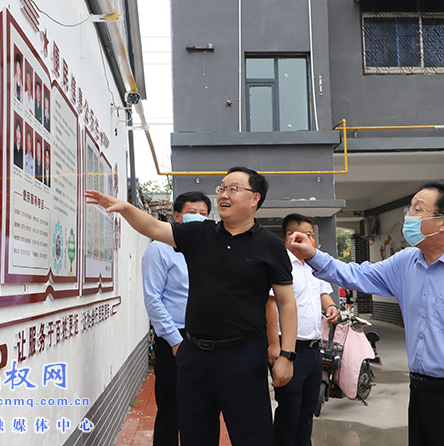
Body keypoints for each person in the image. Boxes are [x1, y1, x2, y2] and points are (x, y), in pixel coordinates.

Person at [287, 181, 444, 446]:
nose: (408, 216)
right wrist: (313, 255)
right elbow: (355, 274)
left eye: (417, 209)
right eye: (409, 208)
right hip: (421, 395)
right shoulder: (405, 263)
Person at [85, 166, 298, 446]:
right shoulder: (200, 234)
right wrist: (125, 208)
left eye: (233, 189)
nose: (224, 194)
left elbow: (286, 302)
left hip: (243, 356)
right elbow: (153, 227)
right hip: (195, 356)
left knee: (253, 436)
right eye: (222, 188)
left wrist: (286, 355)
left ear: (255, 198)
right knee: (195, 437)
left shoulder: (270, 245)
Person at [142, 191, 211, 446]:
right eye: (193, 213)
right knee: (171, 409)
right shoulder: (159, 249)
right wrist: (174, 341)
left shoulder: (209, 248)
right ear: (177, 216)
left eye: (204, 214)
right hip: (175, 338)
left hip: (205, 337)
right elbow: (153, 299)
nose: (199, 219)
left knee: (202, 409)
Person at [266, 213, 339, 446]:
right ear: (290, 236)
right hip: (290, 349)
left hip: (313, 349)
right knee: (289, 409)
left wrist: (331, 306)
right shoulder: (281, 264)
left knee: (309, 407)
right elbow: (270, 306)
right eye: (307, 234)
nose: (311, 239)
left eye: (312, 235)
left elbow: (323, 293)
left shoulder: (313, 265)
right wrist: (275, 346)